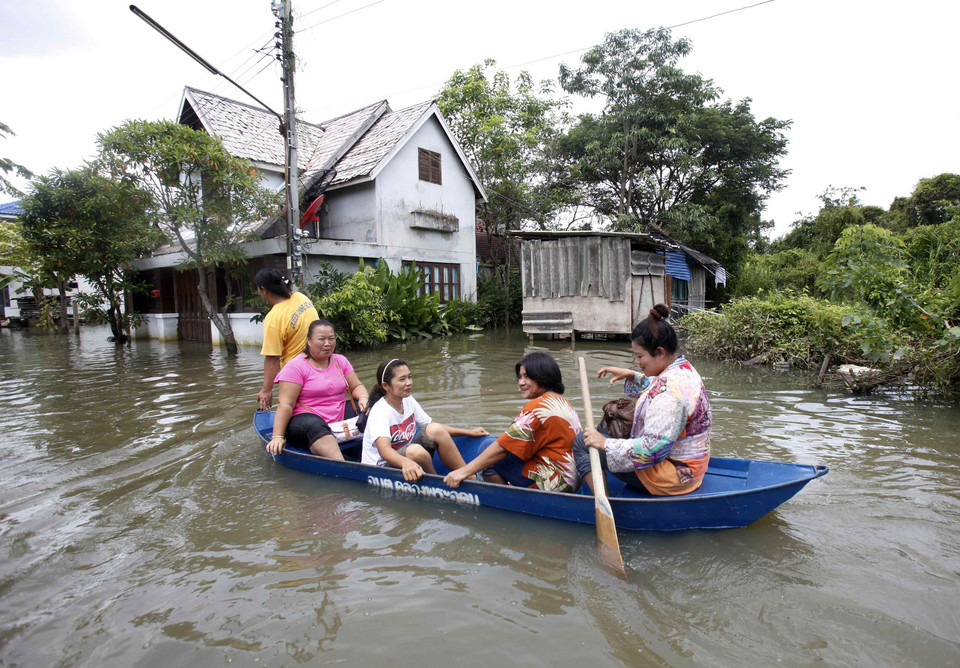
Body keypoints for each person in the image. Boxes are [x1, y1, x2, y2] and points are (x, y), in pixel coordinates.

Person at [575, 304, 712, 496]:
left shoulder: (669, 394)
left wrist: (605, 444)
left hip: (674, 476)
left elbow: (652, 451)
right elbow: (657, 386)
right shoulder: (684, 370)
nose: (637, 362)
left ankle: (603, 502)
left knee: (582, 442)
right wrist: (632, 375)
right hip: (691, 465)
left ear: (661, 352)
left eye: (640, 356)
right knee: (603, 429)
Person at [444, 352, 581, 492]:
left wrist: (463, 471)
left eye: (527, 377)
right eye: (520, 377)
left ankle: (504, 499)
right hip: (570, 481)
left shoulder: (538, 407)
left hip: (552, 484)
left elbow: (503, 448)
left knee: (487, 446)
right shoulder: (565, 404)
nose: (521, 382)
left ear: (542, 377)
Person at [361, 359, 489, 482]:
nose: (409, 382)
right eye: (402, 379)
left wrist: (468, 432)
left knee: (435, 429)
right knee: (415, 451)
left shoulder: (408, 400)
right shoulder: (380, 411)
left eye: (409, 377)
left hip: (407, 456)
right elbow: (385, 451)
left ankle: (469, 477)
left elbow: (431, 425)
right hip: (381, 467)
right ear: (386, 386)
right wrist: (406, 462)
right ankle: (436, 482)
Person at [265, 320, 370, 458]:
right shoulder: (295, 367)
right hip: (306, 420)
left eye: (331, 339)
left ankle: (384, 455)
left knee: (373, 411)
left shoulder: (340, 361)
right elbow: (286, 404)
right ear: (309, 341)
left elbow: (356, 386)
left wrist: (363, 398)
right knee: (314, 425)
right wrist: (277, 436)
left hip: (339, 415)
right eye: (321, 339)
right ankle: (341, 464)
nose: (327, 343)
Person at [255, 268, 319, 410]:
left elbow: (272, 358)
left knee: (289, 411)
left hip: (295, 375)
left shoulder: (274, 318)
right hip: (319, 367)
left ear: (263, 290)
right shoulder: (301, 298)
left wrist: (266, 390)